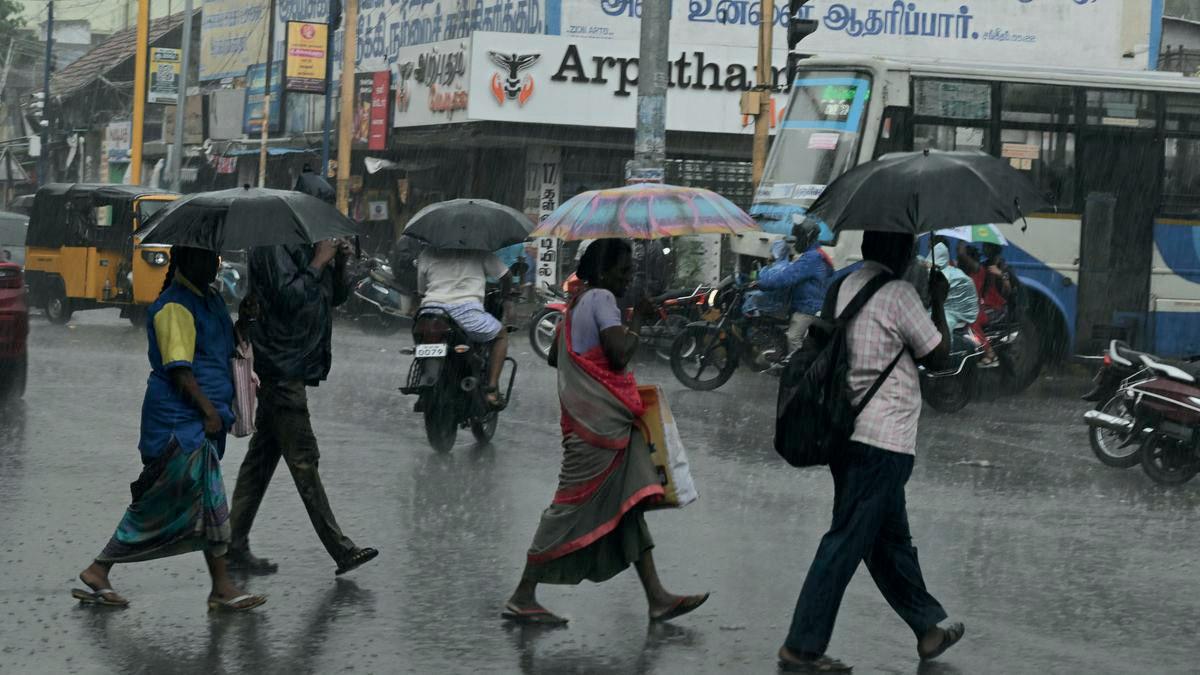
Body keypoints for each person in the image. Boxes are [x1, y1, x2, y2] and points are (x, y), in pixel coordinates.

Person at [778, 230, 964, 672]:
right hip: (884, 441)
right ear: (900, 253)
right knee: (845, 541)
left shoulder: (841, 286)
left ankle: (928, 628)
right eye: (909, 249)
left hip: (846, 433)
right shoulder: (899, 293)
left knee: (889, 543)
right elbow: (939, 357)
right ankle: (801, 647)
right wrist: (937, 299)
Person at [503, 239, 709, 626]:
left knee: (627, 506)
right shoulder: (601, 299)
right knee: (569, 507)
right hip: (597, 427)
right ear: (601, 270)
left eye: (630, 269)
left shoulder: (578, 302)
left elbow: (556, 356)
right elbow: (619, 353)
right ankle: (522, 594)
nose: (629, 275)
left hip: (590, 420)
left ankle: (657, 597)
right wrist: (637, 319)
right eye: (623, 269)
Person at [72, 246, 266, 612]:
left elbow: (222, 348)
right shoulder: (175, 306)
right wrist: (208, 411)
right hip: (179, 424)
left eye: (215, 258)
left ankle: (219, 586)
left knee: (206, 506)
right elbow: (180, 369)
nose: (213, 264)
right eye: (205, 257)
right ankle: (101, 568)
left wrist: (245, 322)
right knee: (164, 505)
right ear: (184, 260)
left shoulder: (208, 299)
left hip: (200, 423)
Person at [225, 239, 379, 576]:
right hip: (280, 367)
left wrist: (337, 264)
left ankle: (232, 546)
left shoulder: (305, 245)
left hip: (292, 363)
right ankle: (341, 548)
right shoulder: (272, 246)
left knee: (261, 461)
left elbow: (331, 298)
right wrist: (318, 262)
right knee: (304, 459)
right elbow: (289, 298)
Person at [416, 246, 512, 406]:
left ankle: (423, 379)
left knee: (421, 343)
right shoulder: (480, 251)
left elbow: (421, 290)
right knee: (501, 334)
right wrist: (506, 296)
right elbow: (506, 276)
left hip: (431, 312)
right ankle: (492, 390)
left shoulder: (427, 252)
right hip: (466, 312)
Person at [755, 221, 834, 349]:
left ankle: (798, 367)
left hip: (809, 307)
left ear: (807, 237)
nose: (796, 242)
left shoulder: (811, 258)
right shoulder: (816, 254)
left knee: (793, 338)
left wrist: (761, 283)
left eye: (798, 238)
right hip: (812, 304)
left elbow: (787, 277)